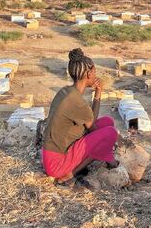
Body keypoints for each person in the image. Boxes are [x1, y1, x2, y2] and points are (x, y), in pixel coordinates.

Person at [41, 48, 119, 185]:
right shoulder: (77, 102)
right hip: (56, 164)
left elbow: (91, 120)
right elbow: (93, 129)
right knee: (111, 133)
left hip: (52, 154)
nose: (96, 75)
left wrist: (98, 92)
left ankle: (104, 156)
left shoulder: (66, 91)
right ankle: (71, 174)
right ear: (89, 74)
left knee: (108, 121)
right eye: (94, 72)